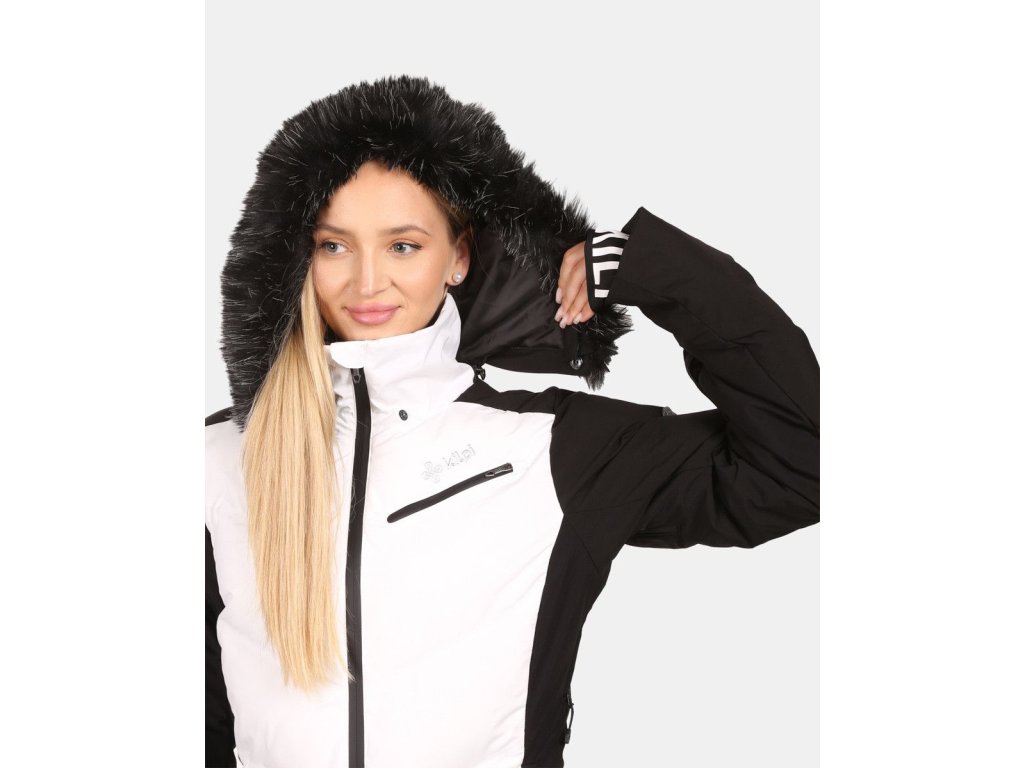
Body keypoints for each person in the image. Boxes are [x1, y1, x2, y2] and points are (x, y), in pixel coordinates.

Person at [206, 74, 819, 768]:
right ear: (295, 256)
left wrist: (660, 272)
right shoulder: (218, 456)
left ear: (458, 257)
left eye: (403, 245)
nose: (368, 281)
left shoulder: (553, 449)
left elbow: (804, 465)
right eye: (334, 245)